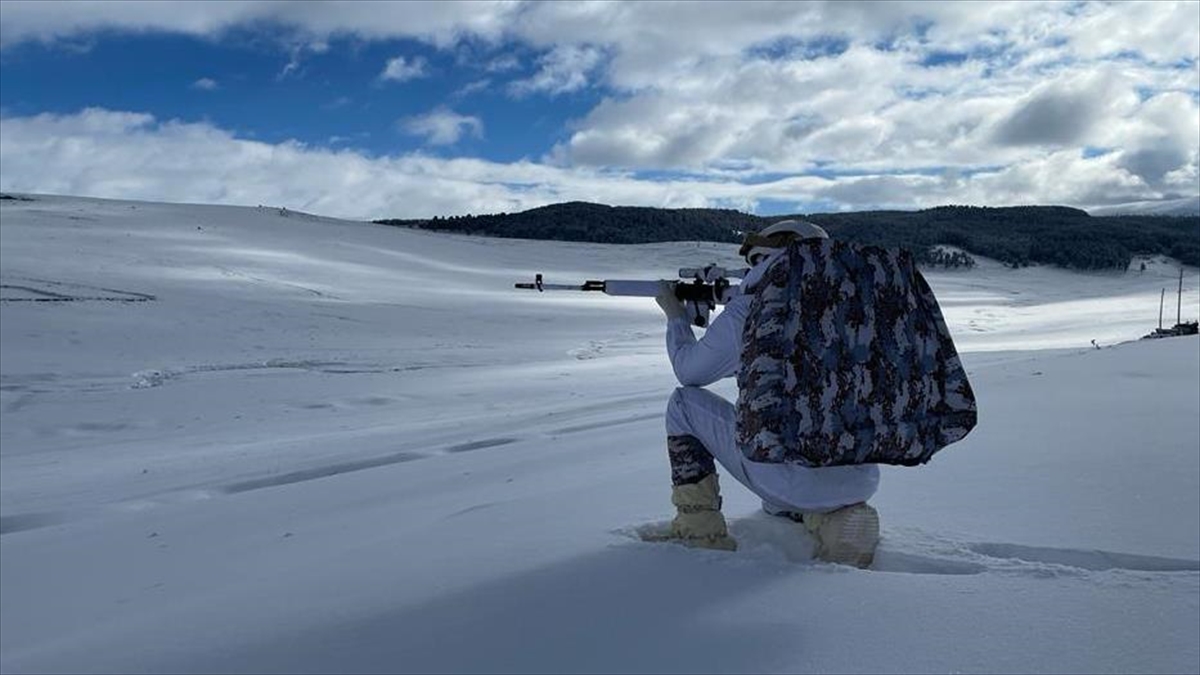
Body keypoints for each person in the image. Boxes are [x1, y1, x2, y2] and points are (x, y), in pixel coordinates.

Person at [652, 220, 881, 567]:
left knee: (682, 405)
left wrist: (676, 318)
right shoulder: (858, 306)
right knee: (778, 499)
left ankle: (698, 530)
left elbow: (690, 372)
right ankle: (832, 519)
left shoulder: (751, 310)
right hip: (860, 477)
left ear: (765, 257)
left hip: (789, 477)